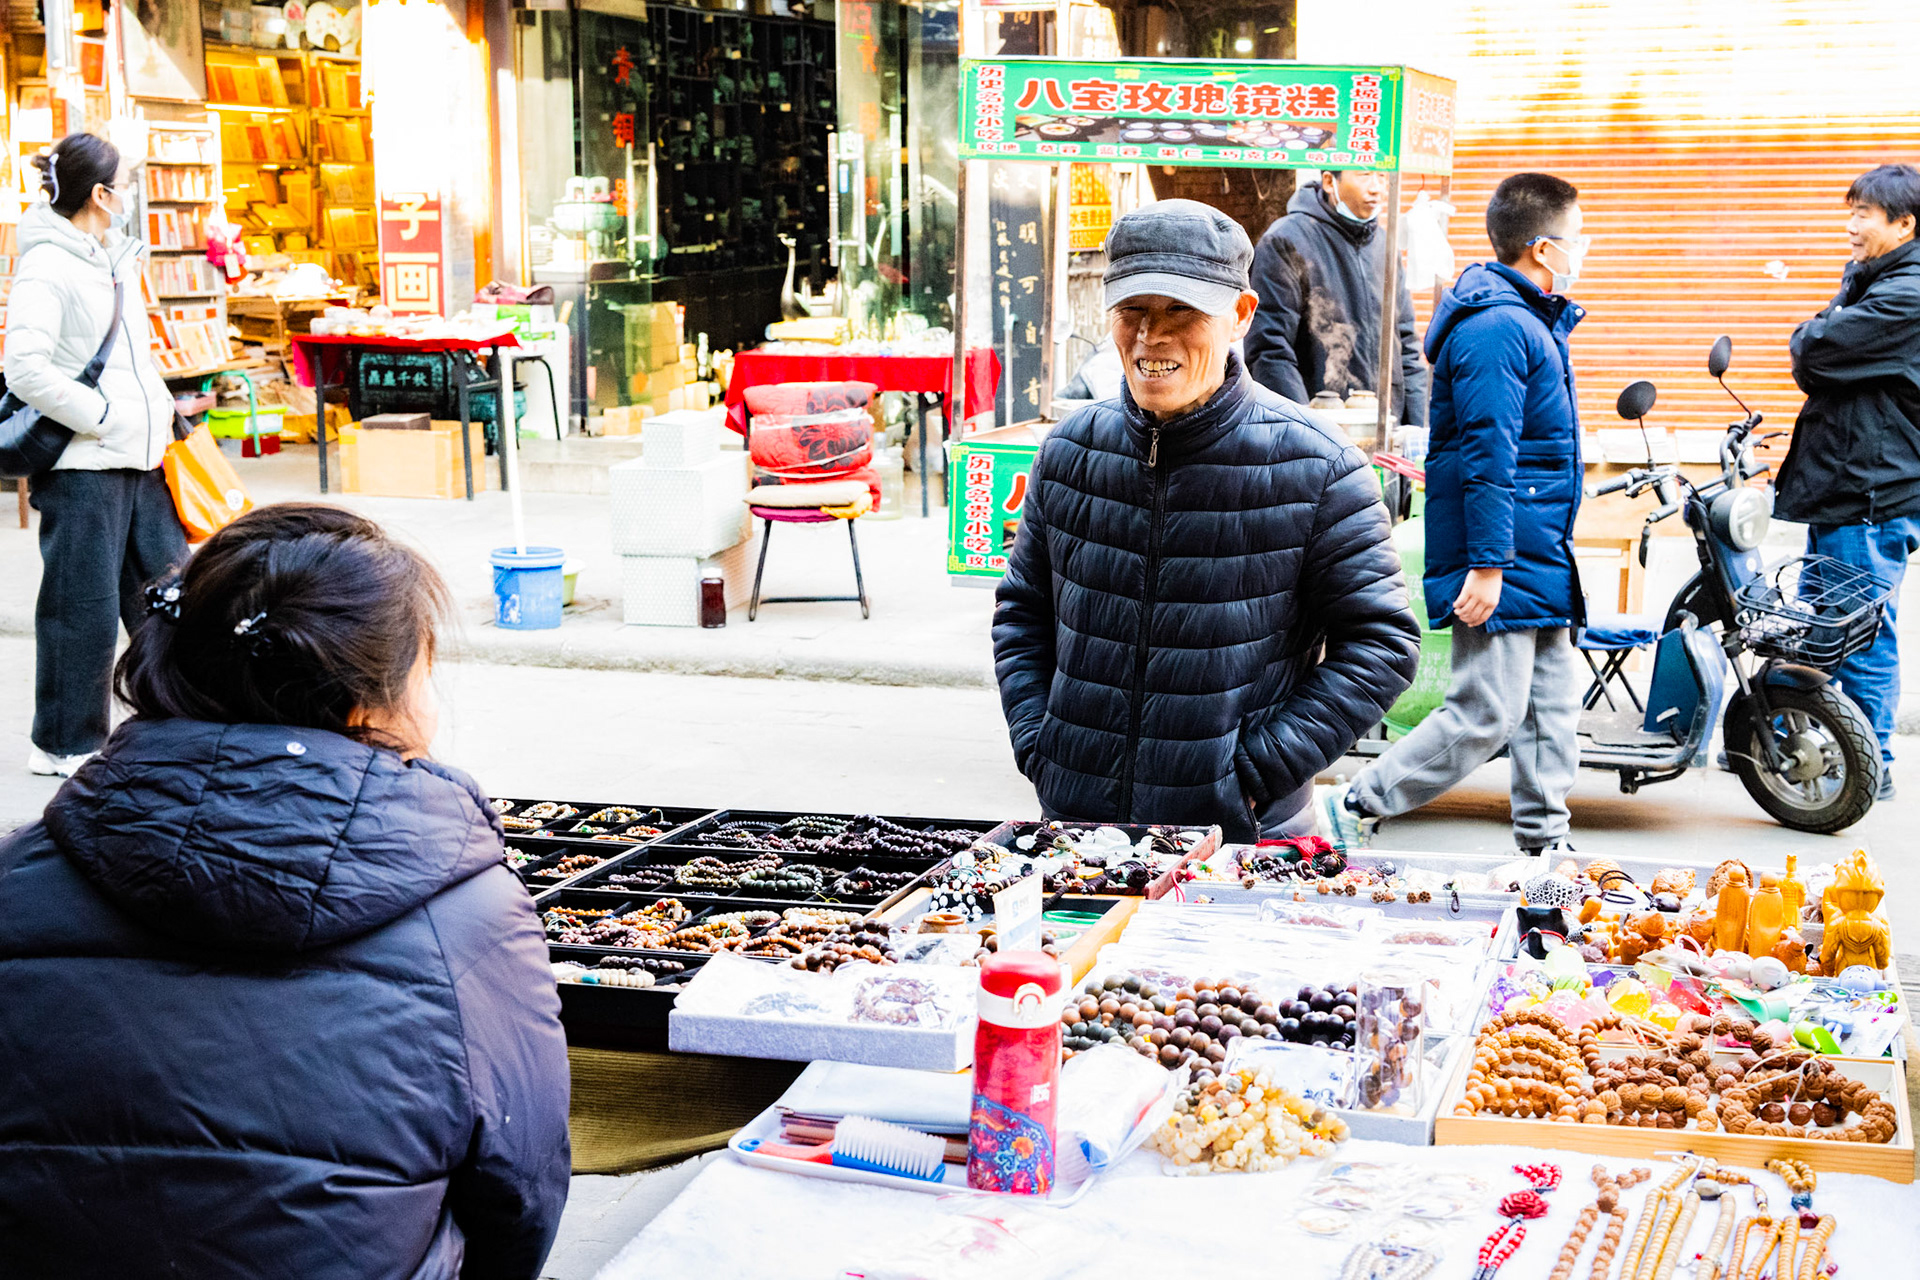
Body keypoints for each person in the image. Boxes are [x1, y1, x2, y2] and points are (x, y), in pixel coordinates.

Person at [0, 505, 571, 1278]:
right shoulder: (471, 917)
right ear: (366, 703)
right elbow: (520, 1197)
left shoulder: (17, 876)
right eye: (424, 671)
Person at [993, 199, 1421, 844]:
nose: (1151, 336)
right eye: (1132, 310)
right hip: (1081, 830)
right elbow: (1023, 613)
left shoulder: (1319, 465)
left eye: (1181, 311)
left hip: (1240, 839)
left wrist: (1257, 771)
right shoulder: (1071, 450)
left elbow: (1381, 644)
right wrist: (1041, 743)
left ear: (1241, 315)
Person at [1329, 173, 1589, 855]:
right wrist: (1488, 562)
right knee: (1485, 712)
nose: (1584, 247)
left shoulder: (1529, 319)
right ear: (1542, 248)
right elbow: (1486, 455)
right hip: (1505, 550)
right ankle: (1355, 802)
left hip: (1538, 548)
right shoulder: (1498, 327)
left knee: (1551, 708)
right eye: (1577, 236)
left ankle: (1545, 847)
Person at [4, 133, 187, 779]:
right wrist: (104, 418)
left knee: (171, 598)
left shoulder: (112, 258)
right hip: (85, 463)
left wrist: (160, 416)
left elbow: (132, 359)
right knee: (79, 610)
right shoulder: (47, 266)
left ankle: (180, 725)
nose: (132, 194)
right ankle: (63, 744)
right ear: (102, 194)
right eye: (126, 184)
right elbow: (25, 368)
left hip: (141, 455)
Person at [1772, 163, 1920, 800]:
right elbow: (1817, 354)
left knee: (1861, 632)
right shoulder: (1872, 279)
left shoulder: (1907, 293)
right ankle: (1803, 746)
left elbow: (1813, 351)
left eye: (1864, 214)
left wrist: (1818, 331)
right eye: (1850, 211)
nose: (1851, 225)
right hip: (1846, 487)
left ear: (1904, 225)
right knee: (1826, 627)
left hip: (1870, 492)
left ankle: (1871, 764)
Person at [1244, 169, 1429, 425]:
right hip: (1321, 424)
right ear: (1330, 182)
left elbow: (1406, 345)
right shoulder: (1285, 240)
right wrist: (1305, 430)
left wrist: (1418, 427)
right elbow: (1269, 350)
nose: (1376, 187)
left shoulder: (1385, 246)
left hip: (1384, 426)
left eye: (1382, 177)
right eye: (1365, 174)